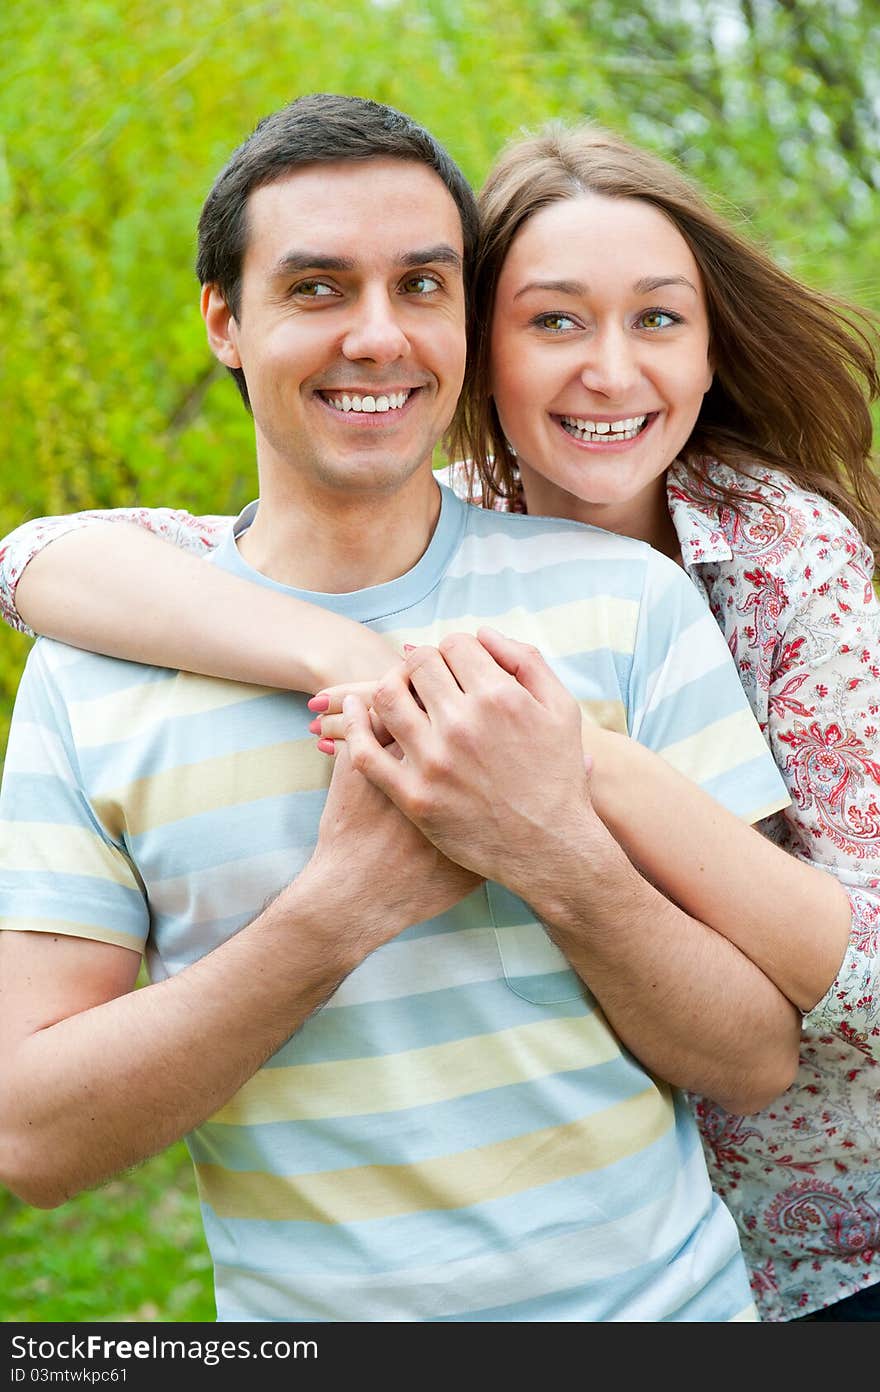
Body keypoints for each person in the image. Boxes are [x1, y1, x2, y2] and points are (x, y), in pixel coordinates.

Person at [0, 93, 826, 1325]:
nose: (378, 336)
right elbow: (33, 1139)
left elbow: (755, 1062)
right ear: (225, 321)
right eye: (319, 289)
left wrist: (548, 850)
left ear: (466, 322)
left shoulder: (627, 598)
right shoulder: (99, 664)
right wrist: (338, 913)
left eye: (422, 286)